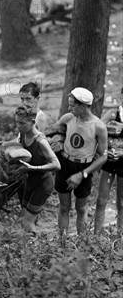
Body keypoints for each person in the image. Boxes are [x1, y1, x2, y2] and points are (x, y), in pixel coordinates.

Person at [53, 88, 108, 237]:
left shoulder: (98, 126)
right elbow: (53, 133)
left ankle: (82, 245)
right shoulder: (68, 118)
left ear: (83, 106)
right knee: (64, 207)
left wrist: (82, 174)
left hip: (85, 167)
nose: (69, 108)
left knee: (81, 208)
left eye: (72, 105)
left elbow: (103, 156)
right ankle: (62, 245)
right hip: (65, 164)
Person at [13, 105, 60, 232]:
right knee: (23, 220)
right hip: (29, 182)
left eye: (22, 123)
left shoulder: (40, 141)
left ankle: (36, 248)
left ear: (33, 122)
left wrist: (32, 168)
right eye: (16, 122)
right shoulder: (23, 135)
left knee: (27, 221)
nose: (18, 126)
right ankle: (28, 249)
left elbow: (56, 165)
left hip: (43, 184)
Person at [94, 87, 123, 234]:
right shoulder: (113, 113)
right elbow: (97, 127)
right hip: (109, 162)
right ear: (121, 97)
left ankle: (120, 236)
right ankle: (95, 238)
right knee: (101, 201)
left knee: (121, 203)